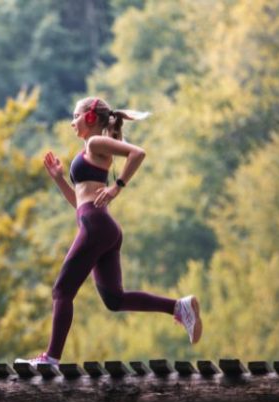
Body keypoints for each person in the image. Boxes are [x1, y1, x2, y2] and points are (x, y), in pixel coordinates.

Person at [15, 97, 202, 367]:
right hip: (100, 226)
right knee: (114, 299)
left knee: (61, 291)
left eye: (76, 116)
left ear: (90, 118)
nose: (72, 122)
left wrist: (117, 186)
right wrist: (58, 178)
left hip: (96, 227)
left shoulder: (94, 143)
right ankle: (178, 307)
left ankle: (51, 358)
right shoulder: (89, 150)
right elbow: (78, 203)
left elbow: (138, 153)